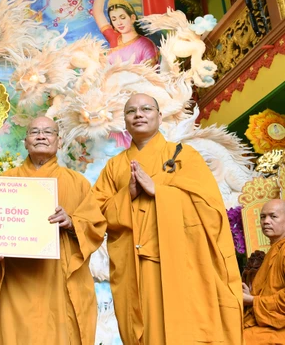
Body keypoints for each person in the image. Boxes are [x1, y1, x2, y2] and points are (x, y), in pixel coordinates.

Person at [84, 93, 243, 345]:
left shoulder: (184, 156)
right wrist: (128, 195)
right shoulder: (114, 167)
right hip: (133, 265)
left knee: (185, 328)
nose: (138, 114)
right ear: (125, 122)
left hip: (180, 260)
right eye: (131, 111)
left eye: (146, 109)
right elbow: (95, 214)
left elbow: (210, 210)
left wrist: (159, 191)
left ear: (159, 117)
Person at [0, 116, 106, 345]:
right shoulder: (5, 180)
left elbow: (95, 226)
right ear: (26, 142)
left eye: (48, 132)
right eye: (34, 132)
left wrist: (71, 222)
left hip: (56, 279)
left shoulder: (77, 183)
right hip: (13, 277)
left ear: (59, 141)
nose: (41, 136)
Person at [93, 0, 159, 66]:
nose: (119, 22)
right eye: (114, 19)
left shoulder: (145, 44)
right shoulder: (114, 38)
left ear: (132, 18)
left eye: (122, 17)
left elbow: (151, 73)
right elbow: (97, 12)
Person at [243, 199, 285, 344]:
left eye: (273, 216)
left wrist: (252, 300)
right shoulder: (273, 251)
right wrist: (251, 295)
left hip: (278, 328)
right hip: (264, 322)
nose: (266, 221)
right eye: (262, 217)